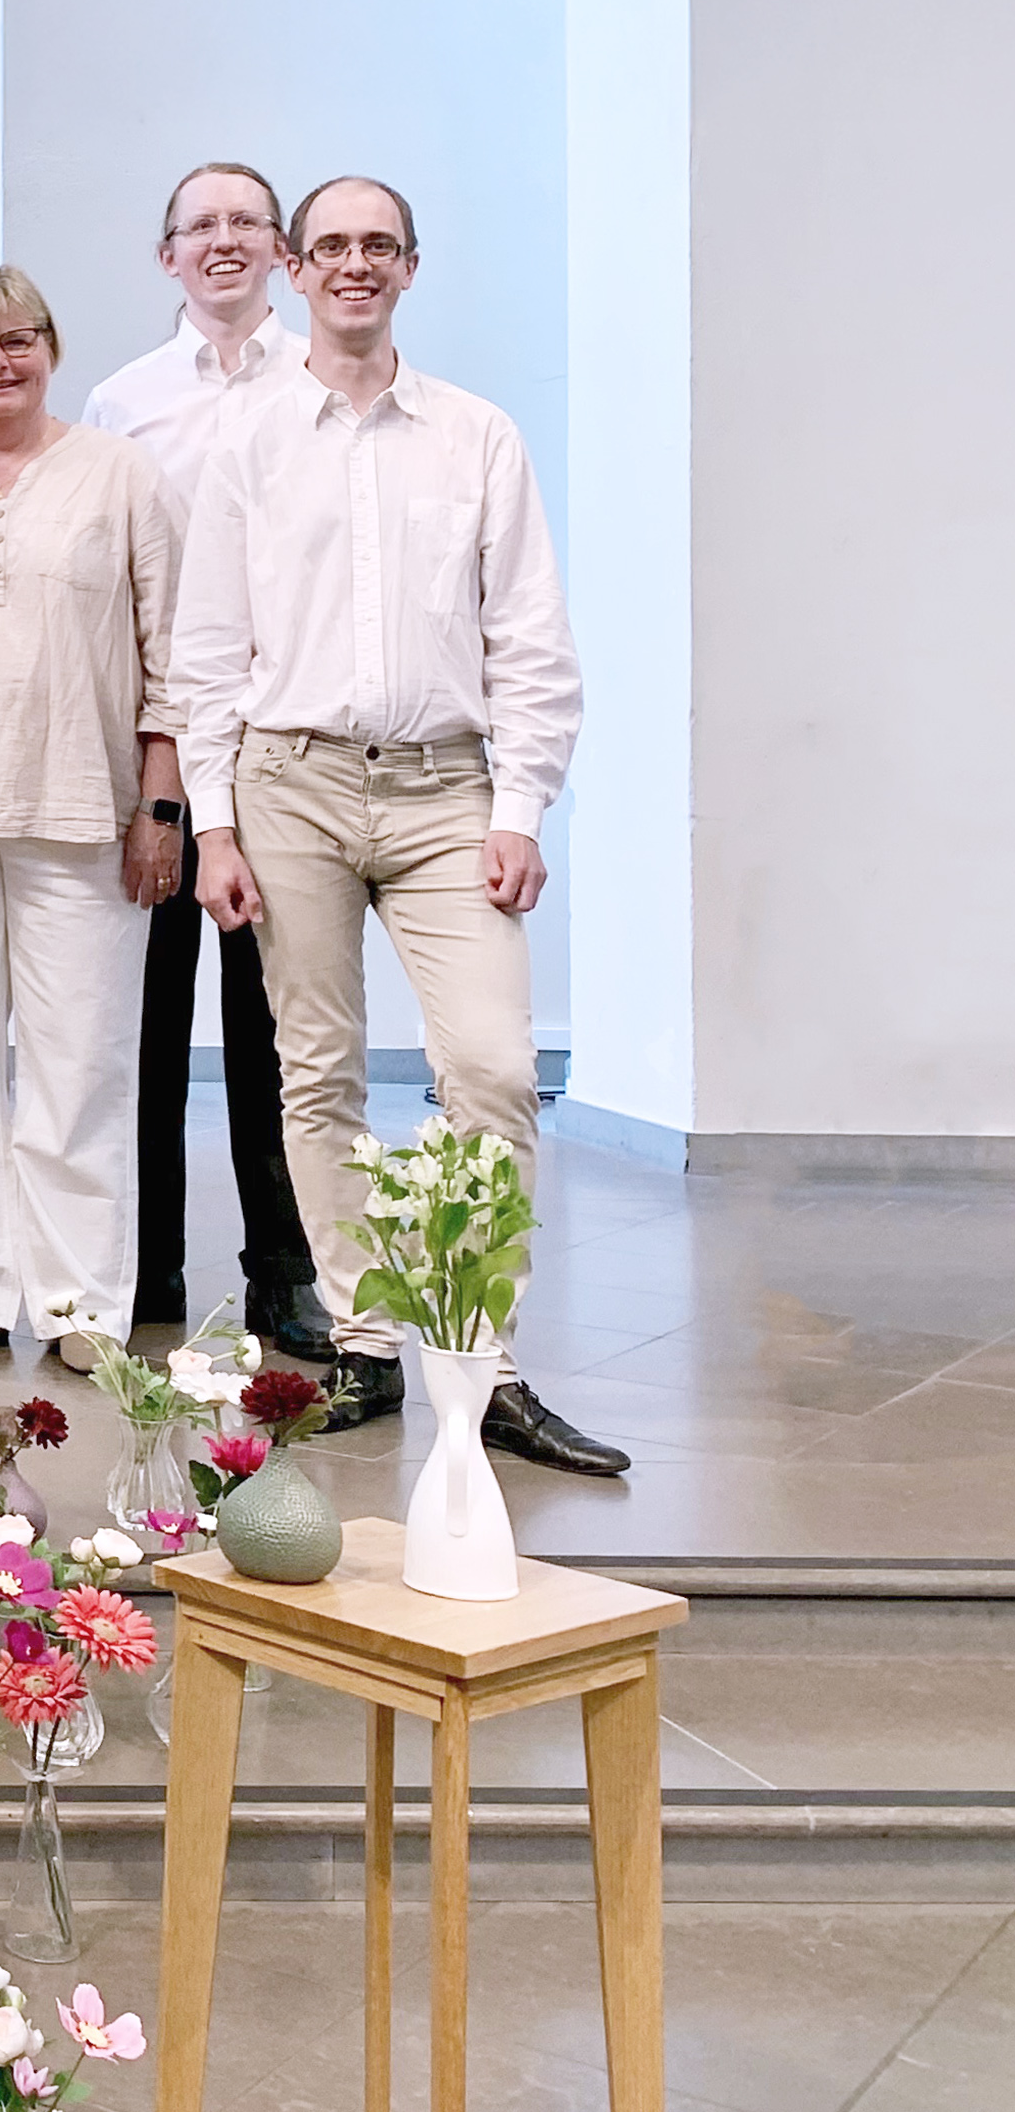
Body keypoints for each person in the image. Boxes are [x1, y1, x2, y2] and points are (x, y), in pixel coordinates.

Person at [172, 176, 624, 1474]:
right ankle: (368, 1342)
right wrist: (214, 825)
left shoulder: (477, 436)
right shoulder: (249, 441)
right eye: (334, 248)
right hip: (291, 784)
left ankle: (484, 1368)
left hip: (445, 793)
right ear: (297, 272)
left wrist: (522, 804)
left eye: (380, 245)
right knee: (315, 1075)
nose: (355, 265)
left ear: (410, 269)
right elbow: (207, 650)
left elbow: (531, 636)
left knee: (487, 1067)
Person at [0, 267, 181, 1373]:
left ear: (50, 348)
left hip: (82, 811)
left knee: (80, 1064)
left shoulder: (120, 475)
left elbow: (172, 651)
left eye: (15, 341)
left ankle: (78, 1299)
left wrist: (160, 803)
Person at [80, 163, 333, 1356]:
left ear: (279, 251)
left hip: (280, 753)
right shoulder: (121, 403)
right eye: (198, 225)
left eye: (245, 222)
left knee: (274, 1030)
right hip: (156, 754)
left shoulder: (323, 385)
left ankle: (285, 1271)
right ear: (164, 254)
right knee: (138, 1024)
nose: (222, 240)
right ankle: (142, 1267)